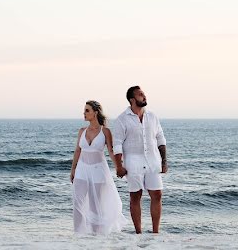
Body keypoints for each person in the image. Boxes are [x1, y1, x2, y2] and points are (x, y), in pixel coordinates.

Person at [111, 86, 167, 234]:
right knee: (135, 196)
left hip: (153, 161)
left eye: (144, 94)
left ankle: (156, 232)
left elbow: (160, 138)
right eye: (141, 94)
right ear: (132, 99)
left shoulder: (152, 116)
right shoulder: (121, 119)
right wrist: (119, 166)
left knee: (157, 194)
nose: (144, 96)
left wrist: (164, 161)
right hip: (133, 164)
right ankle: (138, 233)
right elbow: (117, 144)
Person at [70, 100, 127, 234]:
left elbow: (111, 152)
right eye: (84, 110)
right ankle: (78, 235)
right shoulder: (82, 131)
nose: (84, 113)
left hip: (98, 171)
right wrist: (73, 169)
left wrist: (119, 166)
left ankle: (96, 238)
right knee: (77, 203)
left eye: (87, 110)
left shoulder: (105, 131)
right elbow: (77, 150)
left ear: (95, 113)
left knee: (95, 206)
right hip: (82, 170)